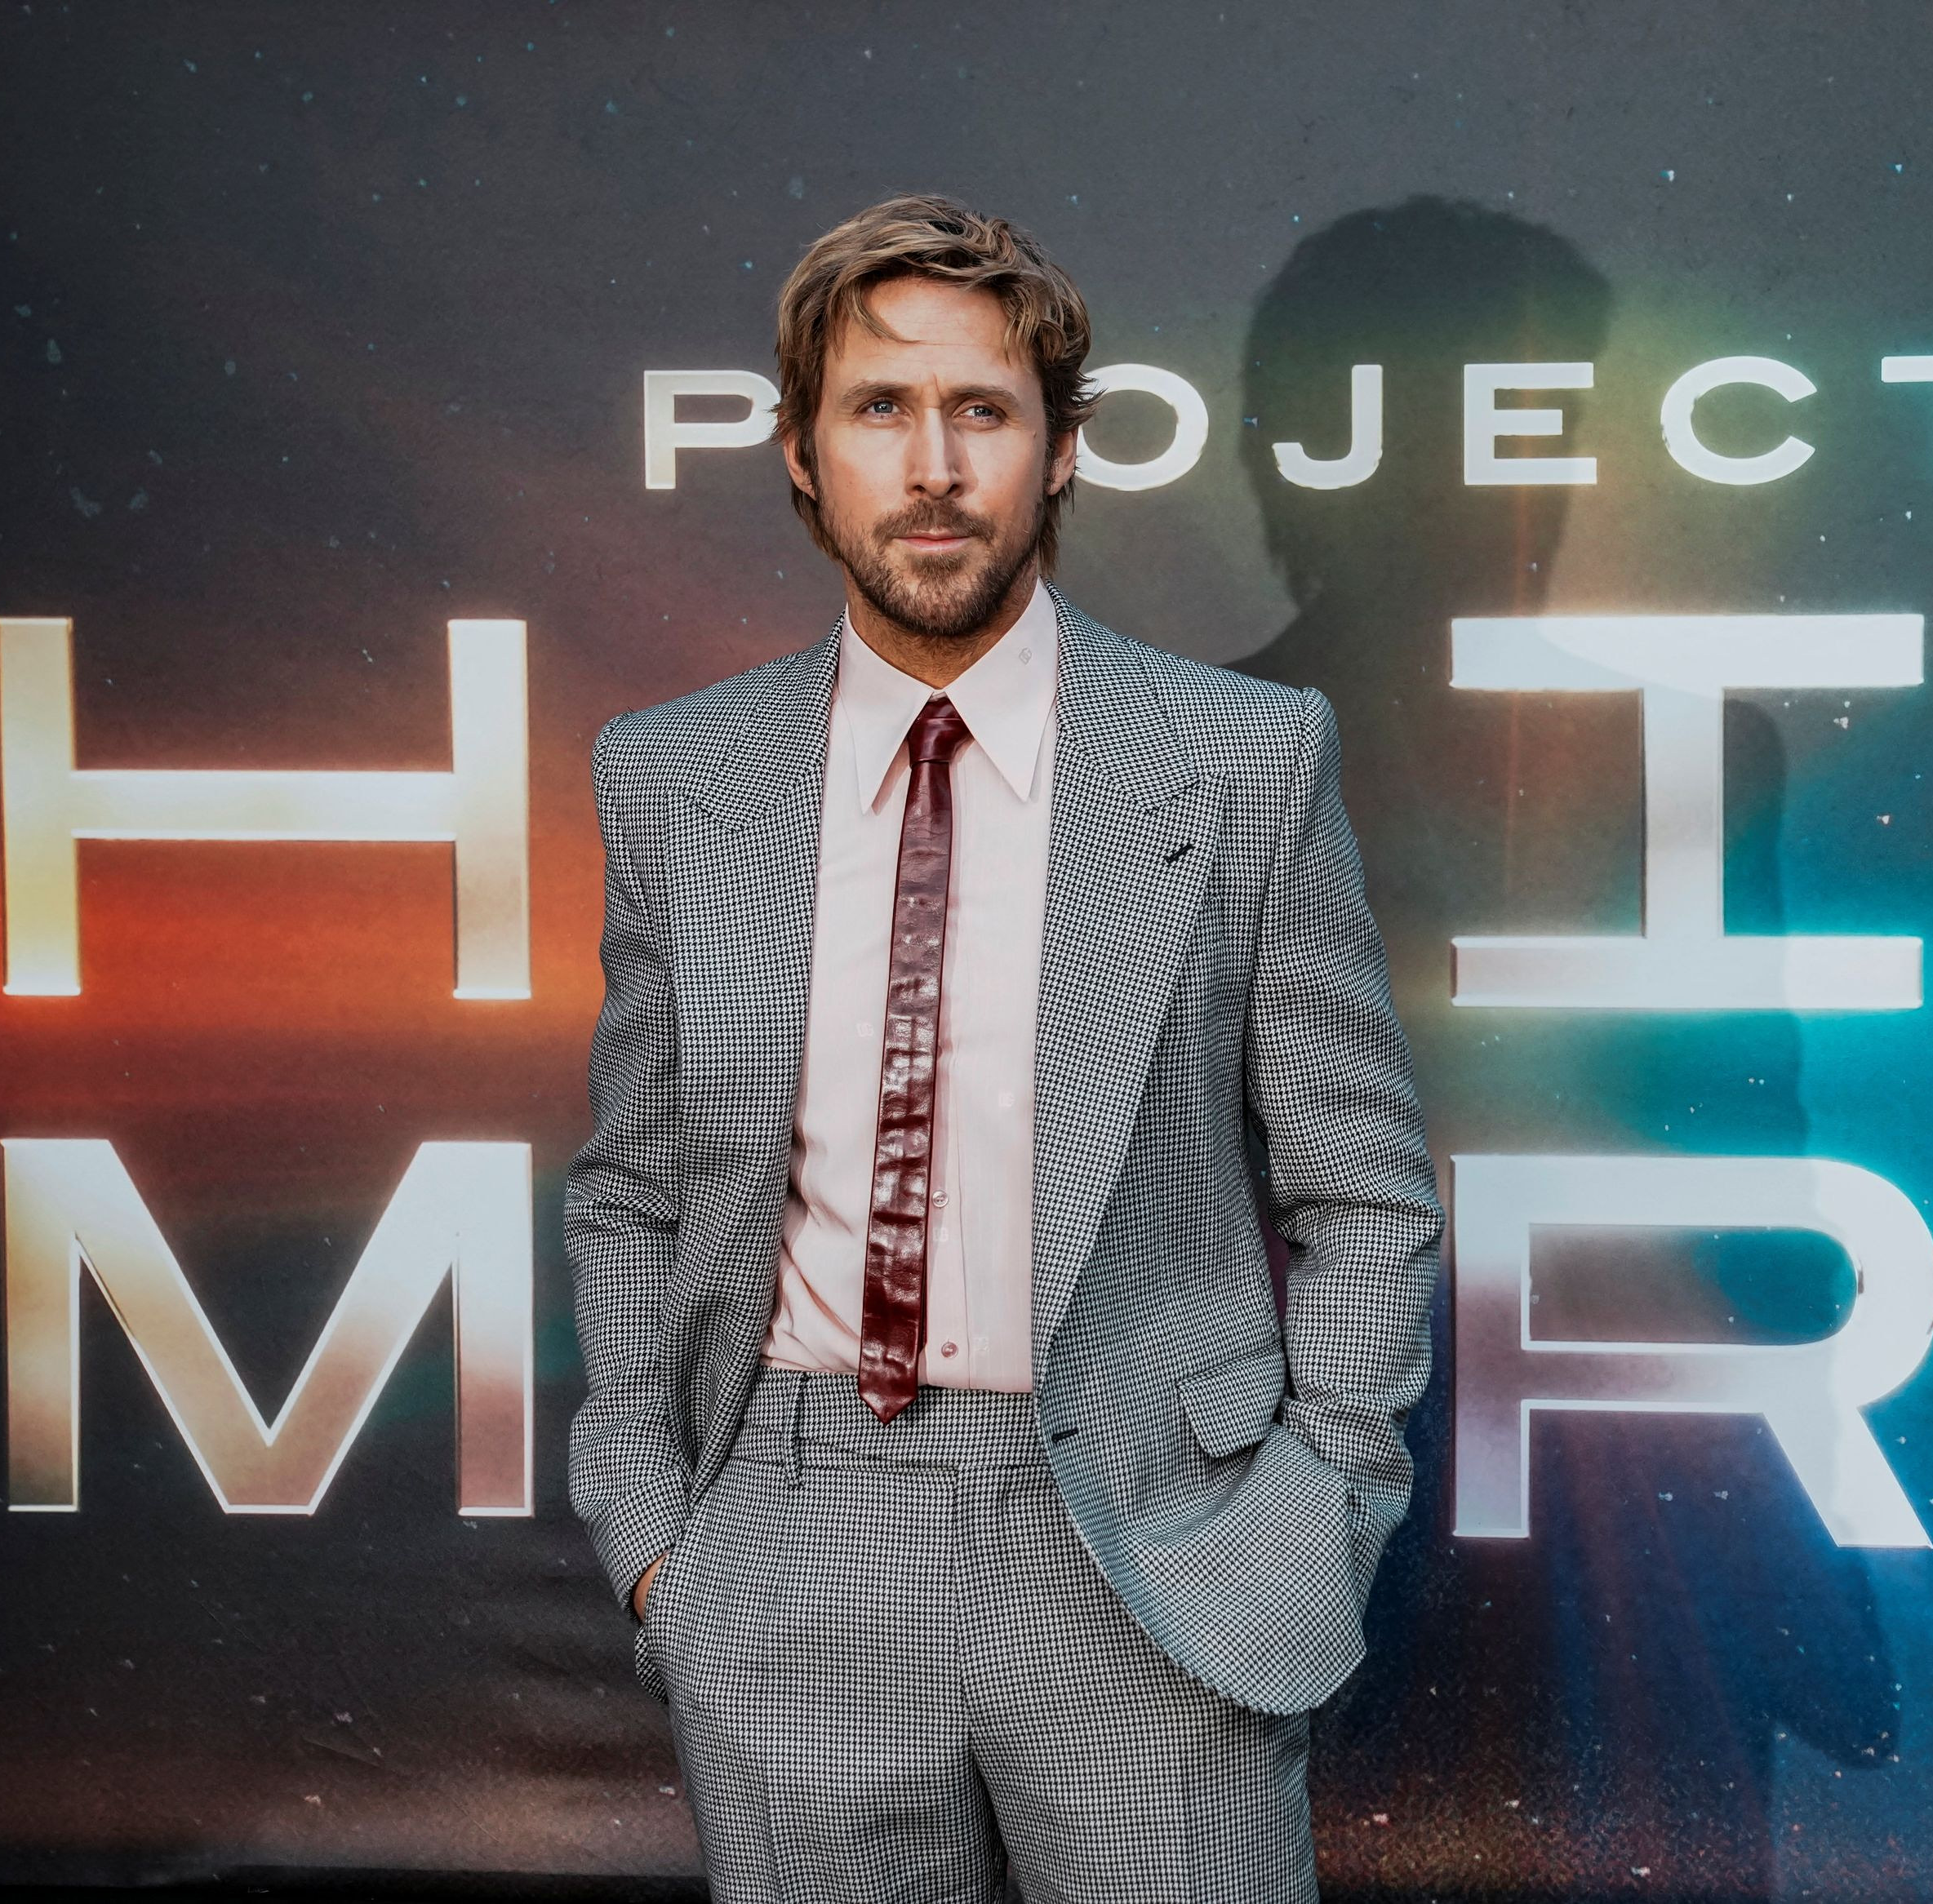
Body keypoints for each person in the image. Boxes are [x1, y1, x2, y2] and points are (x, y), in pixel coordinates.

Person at [564, 193, 1440, 1904]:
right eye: (878, 409)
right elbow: (634, 1189)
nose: (934, 466)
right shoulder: (670, 777)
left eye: (983, 409)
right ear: (803, 454)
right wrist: (660, 1536)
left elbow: (1365, 1193)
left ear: (1061, 451)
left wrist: (1312, 1515)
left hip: (1147, 1545)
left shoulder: (1244, 761)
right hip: (787, 1534)